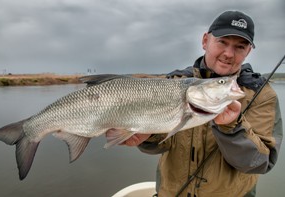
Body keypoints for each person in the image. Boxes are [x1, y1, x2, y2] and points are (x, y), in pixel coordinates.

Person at [107, 10, 283, 196]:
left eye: (240, 46)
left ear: (248, 51)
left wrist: (232, 127)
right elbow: (162, 144)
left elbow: (261, 163)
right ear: (205, 41)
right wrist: (148, 138)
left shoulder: (262, 95)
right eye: (222, 42)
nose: (229, 54)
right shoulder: (173, 82)